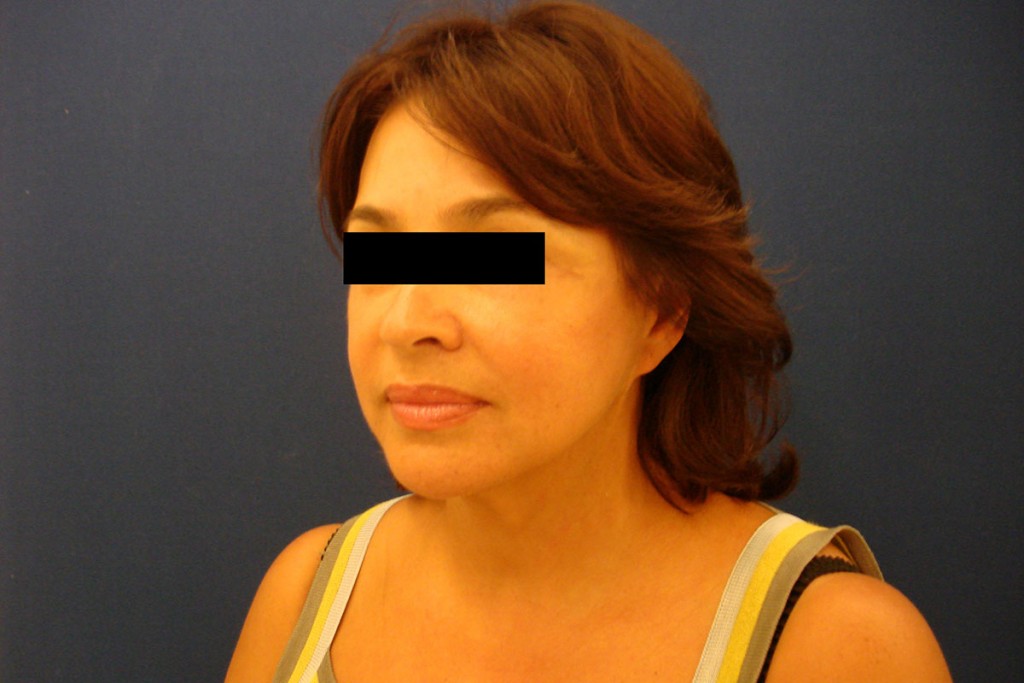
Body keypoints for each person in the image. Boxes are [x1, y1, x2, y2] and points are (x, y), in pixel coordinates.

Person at [226, 2, 951, 681]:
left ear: (660, 312)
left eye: (492, 258)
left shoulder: (837, 645)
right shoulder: (306, 593)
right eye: (378, 256)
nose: (407, 322)